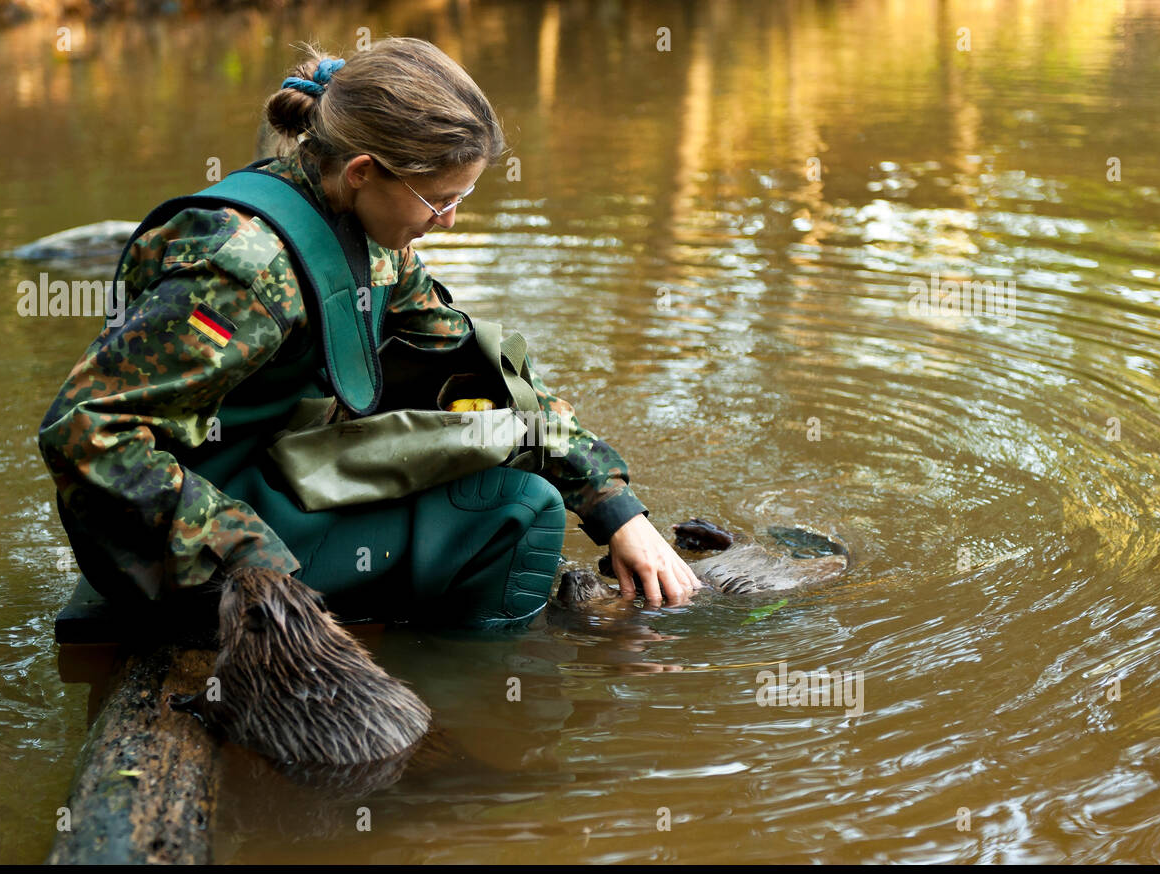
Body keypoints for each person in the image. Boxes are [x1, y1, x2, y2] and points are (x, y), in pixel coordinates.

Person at [38, 37, 700, 631]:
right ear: (362, 172)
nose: (449, 221)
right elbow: (85, 430)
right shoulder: (241, 271)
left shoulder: (368, 240)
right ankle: (466, 727)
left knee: (497, 449)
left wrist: (618, 511)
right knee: (518, 514)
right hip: (180, 550)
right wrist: (256, 566)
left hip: (256, 476)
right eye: (440, 200)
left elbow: (479, 372)